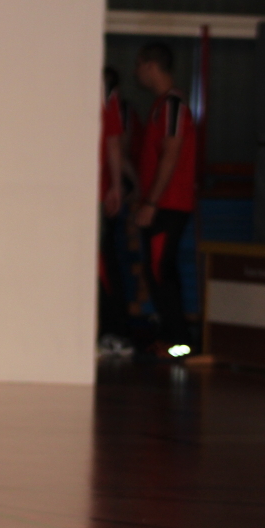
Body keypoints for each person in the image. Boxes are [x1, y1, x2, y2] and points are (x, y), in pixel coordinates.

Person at [134, 42, 197, 357]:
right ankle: (171, 337)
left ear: (150, 66)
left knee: (161, 269)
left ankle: (179, 341)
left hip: (169, 204)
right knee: (157, 269)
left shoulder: (172, 105)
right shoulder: (162, 105)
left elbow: (171, 153)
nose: (136, 73)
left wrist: (152, 202)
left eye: (139, 65)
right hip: (162, 202)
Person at [97, 67, 131, 358]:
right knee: (103, 261)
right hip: (90, 193)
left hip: (96, 195)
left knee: (102, 264)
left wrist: (117, 186)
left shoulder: (107, 96)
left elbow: (114, 142)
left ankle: (113, 332)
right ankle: (109, 331)